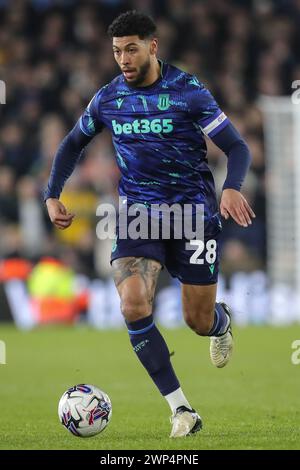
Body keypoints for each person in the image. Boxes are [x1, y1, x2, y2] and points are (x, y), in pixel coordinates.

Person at [45, 10, 255, 438]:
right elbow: (71, 144)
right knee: (133, 304)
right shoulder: (108, 98)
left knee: (197, 321)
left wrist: (232, 186)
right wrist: (52, 193)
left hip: (193, 214)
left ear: (152, 47)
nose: (123, 58)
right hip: (139, 215)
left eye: (131, 49)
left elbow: (236, 145)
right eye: (117, 51)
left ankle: (221, 321)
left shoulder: (187, 91)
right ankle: (182, 410)